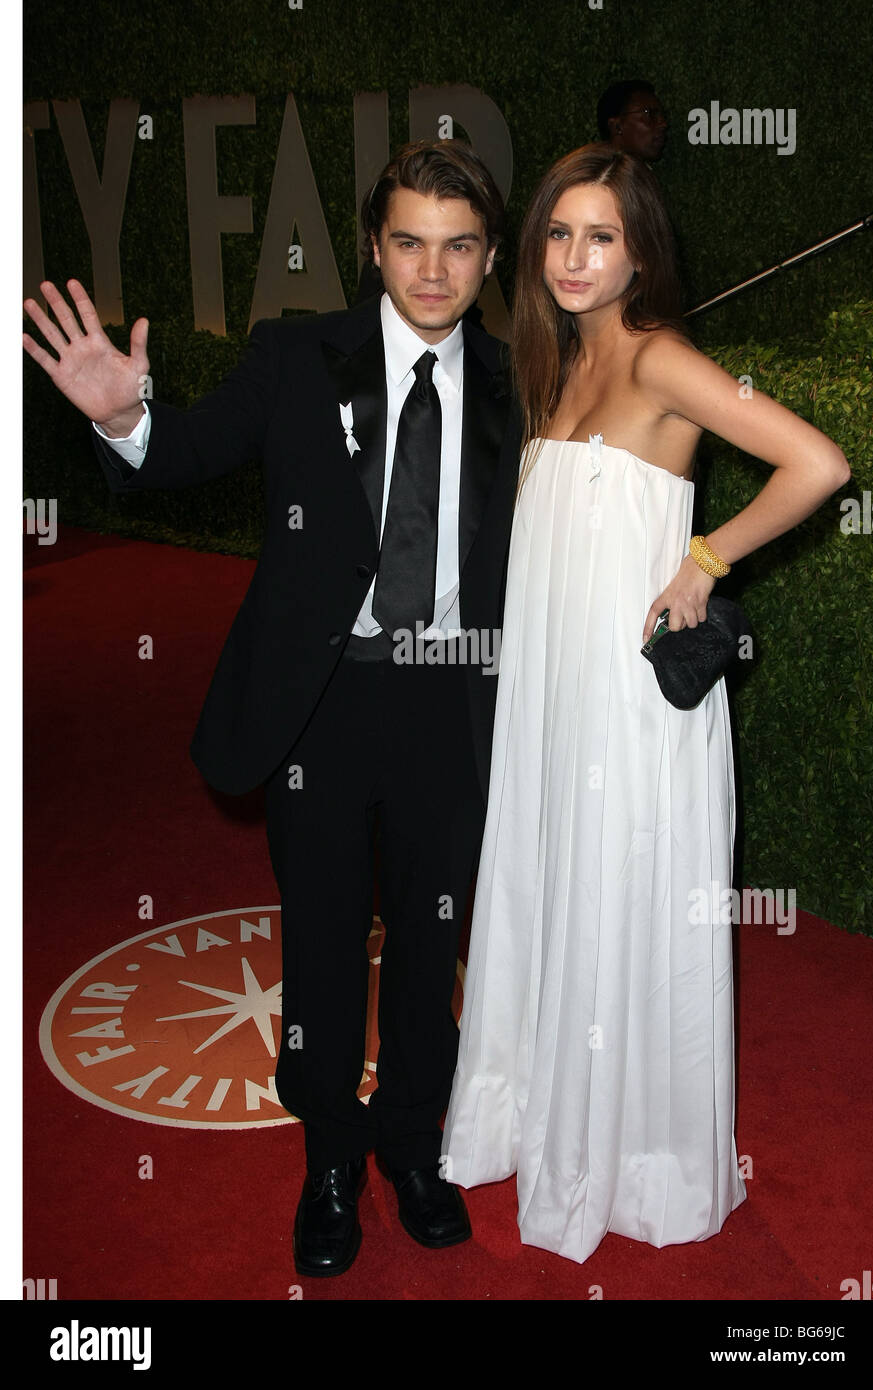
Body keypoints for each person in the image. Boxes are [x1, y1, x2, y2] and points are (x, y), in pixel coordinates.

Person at [22, 139, 521, 1278]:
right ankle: (330, 1159)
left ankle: (412, 1148)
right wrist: (121, 419)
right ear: (372, 247)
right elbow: (180, 453)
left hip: (456, 700)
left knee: (434, 939)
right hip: (323, 705)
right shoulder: (298, 357)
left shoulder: (520, 377)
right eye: (408, 243)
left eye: (456, 248)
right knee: (325, 938)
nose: (431, 272)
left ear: (488, 258)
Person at [442, 144, 849, 1263]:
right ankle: (535, 1113)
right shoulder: (555, 364)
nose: (574, 259)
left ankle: (629, 1158)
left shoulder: (663, 359)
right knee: (547, 877)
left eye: (601, 237)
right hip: (551, 700)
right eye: (558, 236)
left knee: (620, 894)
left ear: (638, 253)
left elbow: (817, 463)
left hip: (627, 708)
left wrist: (707, 557)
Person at [596, 79, 669, 162]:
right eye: (649, 114)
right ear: (616, 127)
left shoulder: (638, 173)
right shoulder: (595, 174)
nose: (663, 124)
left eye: (662, 115)